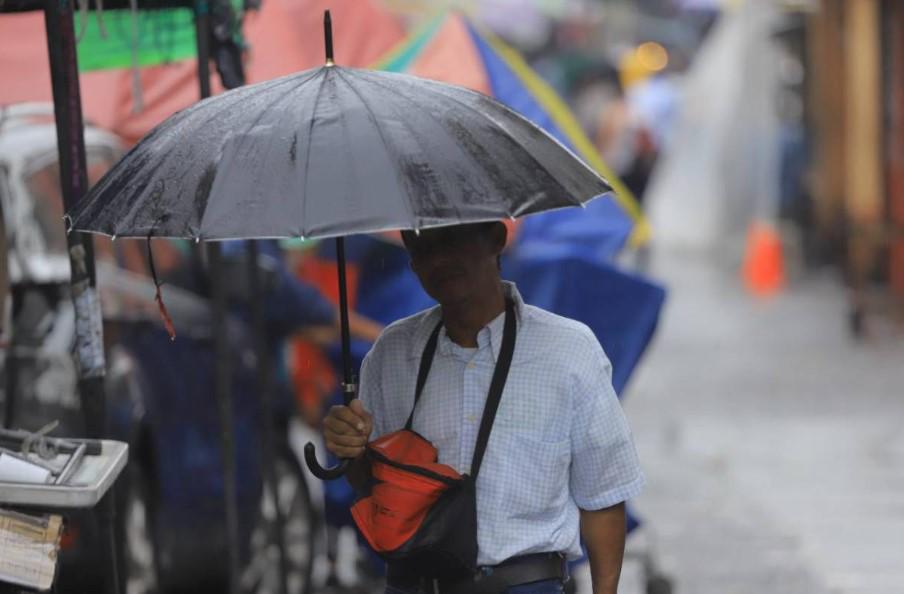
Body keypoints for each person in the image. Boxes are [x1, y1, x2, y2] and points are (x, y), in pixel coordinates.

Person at [322, 222, 644, 594]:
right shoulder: (392, 351)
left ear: (496, 238)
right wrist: (352, 448)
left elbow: (602, 495)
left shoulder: (569, 350)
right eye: (423, 245)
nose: (440, 257)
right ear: (410, 256)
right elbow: (370, 484)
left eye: (454, 238)